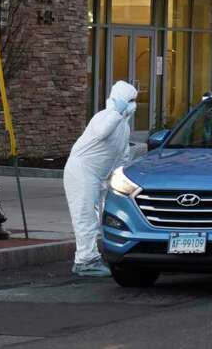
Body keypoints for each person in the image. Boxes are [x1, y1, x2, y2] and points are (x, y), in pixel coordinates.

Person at [63, 80, 138, 277]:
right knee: (85, 216)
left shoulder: (123, 127)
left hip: (99, 175)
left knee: (97, 217)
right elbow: (102, 132)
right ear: (120, 101)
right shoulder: (104, 117)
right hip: (81, 171)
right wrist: (115, 111)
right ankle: (85, 261)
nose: (132, 105)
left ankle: (92, 256)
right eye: (129, 101)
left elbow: (121, 157)